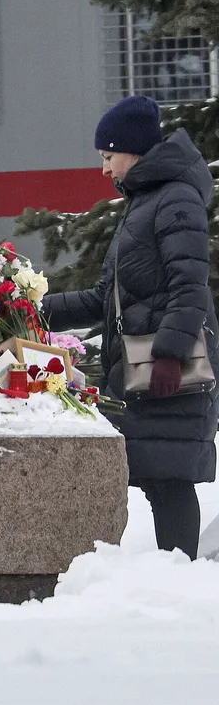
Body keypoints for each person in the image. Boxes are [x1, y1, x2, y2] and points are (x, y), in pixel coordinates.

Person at [44, 95, 219, 560]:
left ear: (133, 150)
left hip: (167, 366)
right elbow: (105, 298)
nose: (104, 169)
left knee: (172, 478)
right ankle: (173, 573)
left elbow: (190, 284)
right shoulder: (145, 202)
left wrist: (170, 354)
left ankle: (180, 578)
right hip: (147, 363)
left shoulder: (174, 198)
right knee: (161, 477)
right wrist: (35, 309)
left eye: (107, 156)